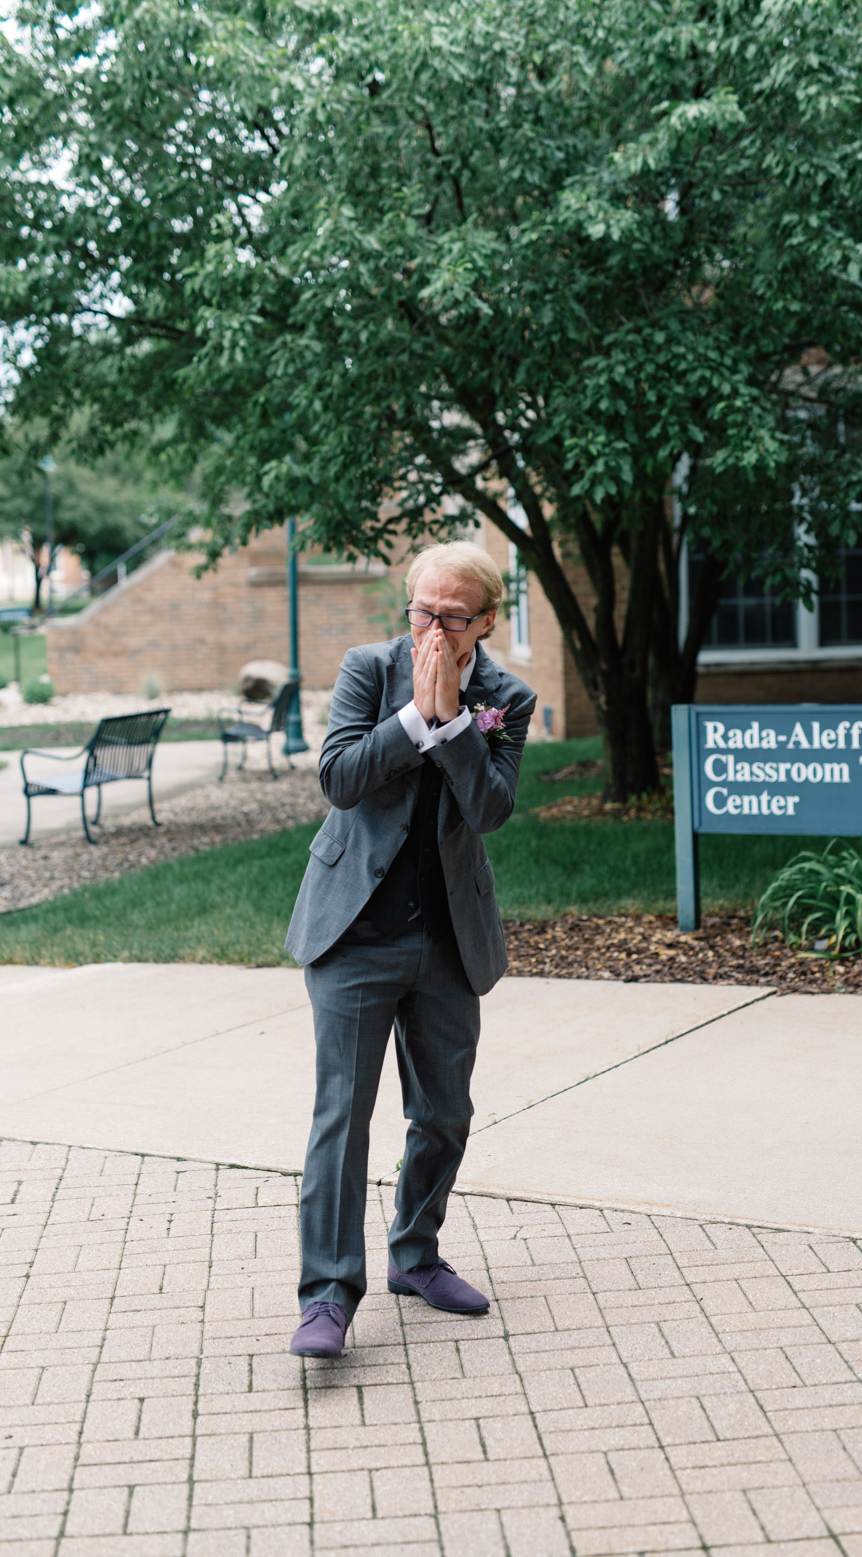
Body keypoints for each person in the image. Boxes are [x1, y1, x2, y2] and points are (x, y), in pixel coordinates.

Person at [285, 540, 536, 1357]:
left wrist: (457, 723)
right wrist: (413, 719)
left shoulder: (508, 698)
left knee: (443, 1116)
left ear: (486, 621)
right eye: (420, 610)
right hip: (353, 932)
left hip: (445, 941)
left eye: (451, 616)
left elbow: (492, 809)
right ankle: (326, 1296)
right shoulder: (367, 668)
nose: (431, 628)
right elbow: (339, 779)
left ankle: (415, 1256)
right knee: (341, 1122)